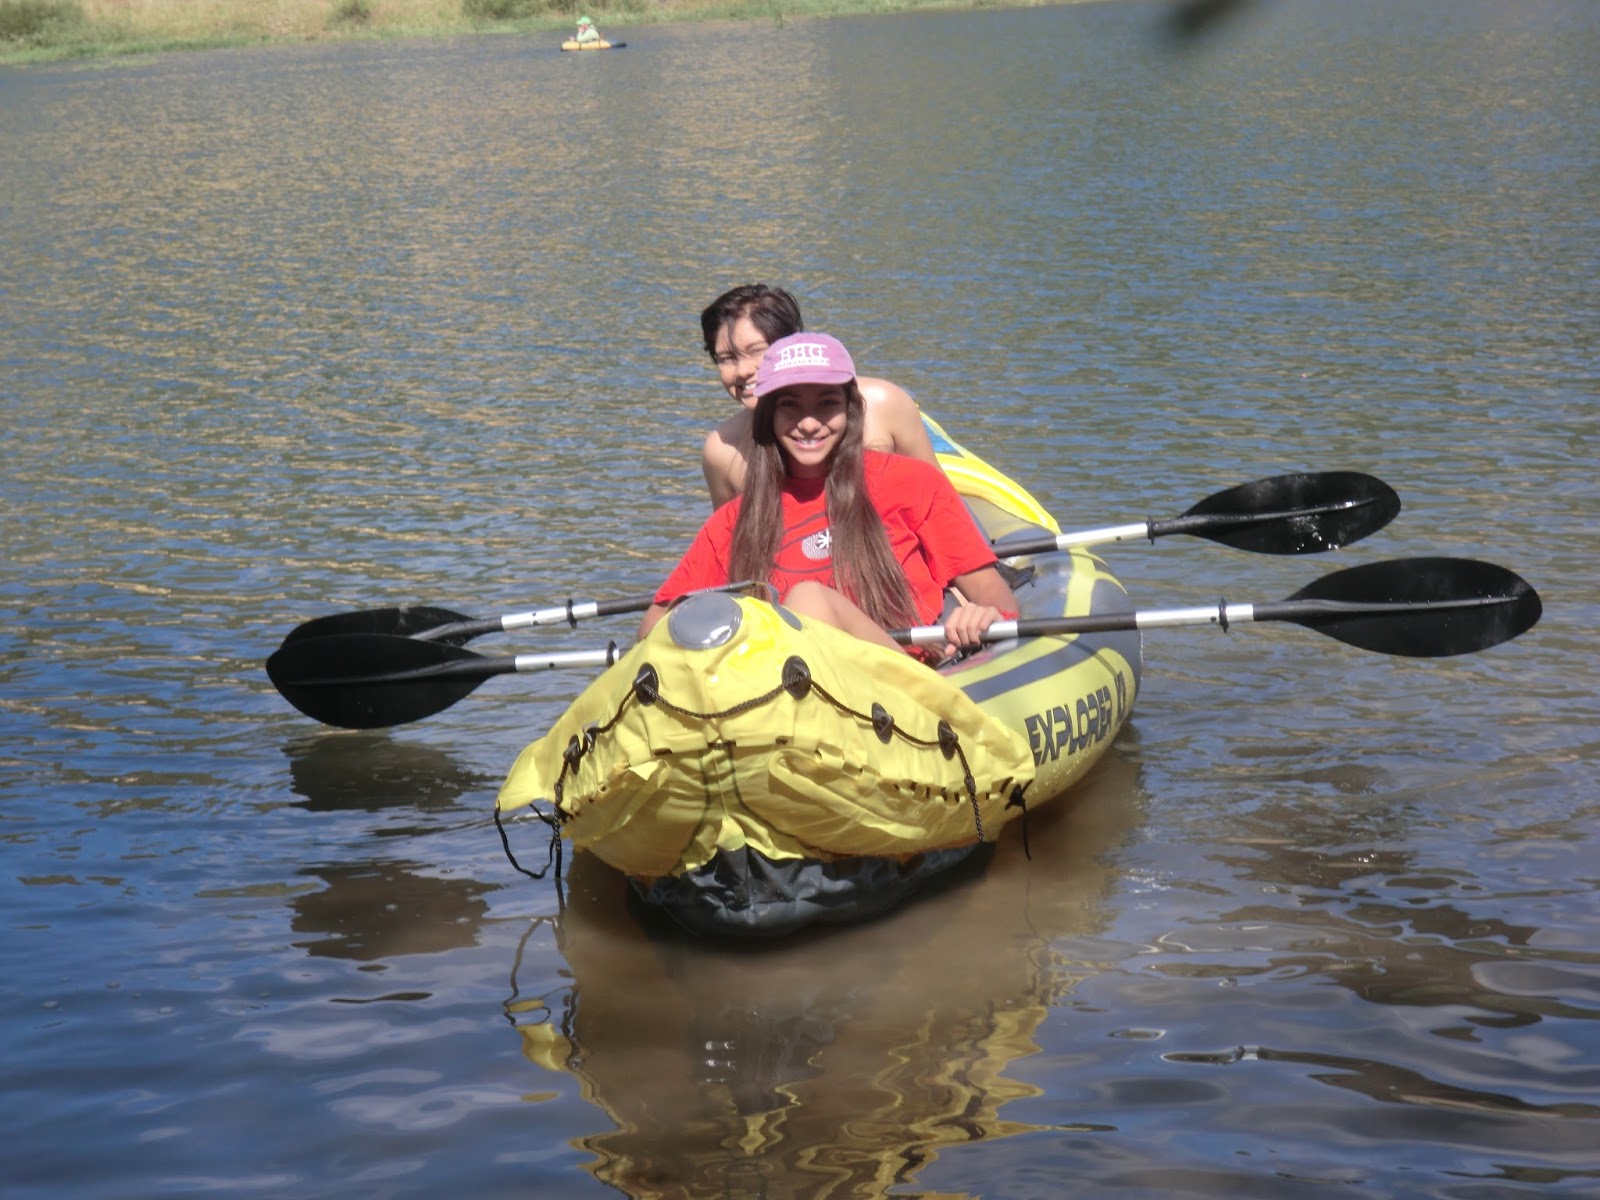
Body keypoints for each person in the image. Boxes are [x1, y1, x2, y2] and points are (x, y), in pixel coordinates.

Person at [641, 333, 1018, 661]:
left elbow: (995, 597)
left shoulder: (913, 483)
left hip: (897, 687)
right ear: (768, 415)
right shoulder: (735, 520)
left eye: (826, 403)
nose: (808, 422)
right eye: (790, 405)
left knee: (809, 601)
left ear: (850, 409)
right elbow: (653, 626)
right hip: (777, 697)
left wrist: (983, 616)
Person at [699, 285, 940, 509]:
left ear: (794, 344)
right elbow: (730, 541)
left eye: (757, 351)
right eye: (727, 358)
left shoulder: (883, 404)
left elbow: (941, 503)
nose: (742, 370)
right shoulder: (722, 449)